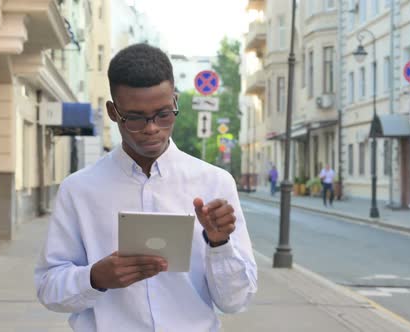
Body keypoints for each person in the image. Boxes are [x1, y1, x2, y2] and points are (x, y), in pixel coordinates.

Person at [34, 44, 257, 331]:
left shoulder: (214, 183)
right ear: (113, 112)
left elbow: (235, 302)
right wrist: (94, 278)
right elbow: (49, 288)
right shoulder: (79, 190)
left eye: (164, 114)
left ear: (175, 101)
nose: (152, 128)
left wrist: (219, 244)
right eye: (136, 118)